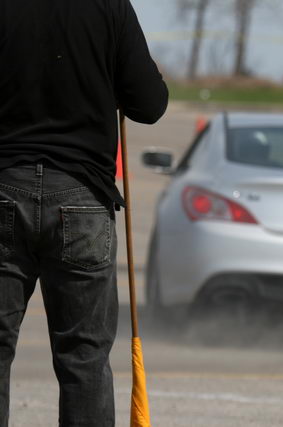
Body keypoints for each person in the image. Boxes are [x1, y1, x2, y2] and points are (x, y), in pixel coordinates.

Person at [0, 0, 168, 425]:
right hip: (82, 196)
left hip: (5, 185)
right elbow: (149, 104)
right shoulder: (110, 6)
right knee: (84, 357)